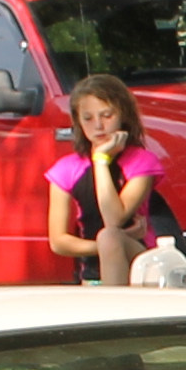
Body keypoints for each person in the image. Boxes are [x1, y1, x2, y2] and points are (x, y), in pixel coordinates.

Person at [44, 75, 174, 285]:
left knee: (111, 235)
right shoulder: (66, 169)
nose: (98, 126)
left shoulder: (141, 162)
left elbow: (114, 219)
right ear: (77, 121)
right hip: (93, 272)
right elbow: (58, 242)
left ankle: (118, 307)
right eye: (88, 118)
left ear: (123, 115)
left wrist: (102, 161)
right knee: (108, 238)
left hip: (139, 263)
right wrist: (102, 247)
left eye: (106, 115)